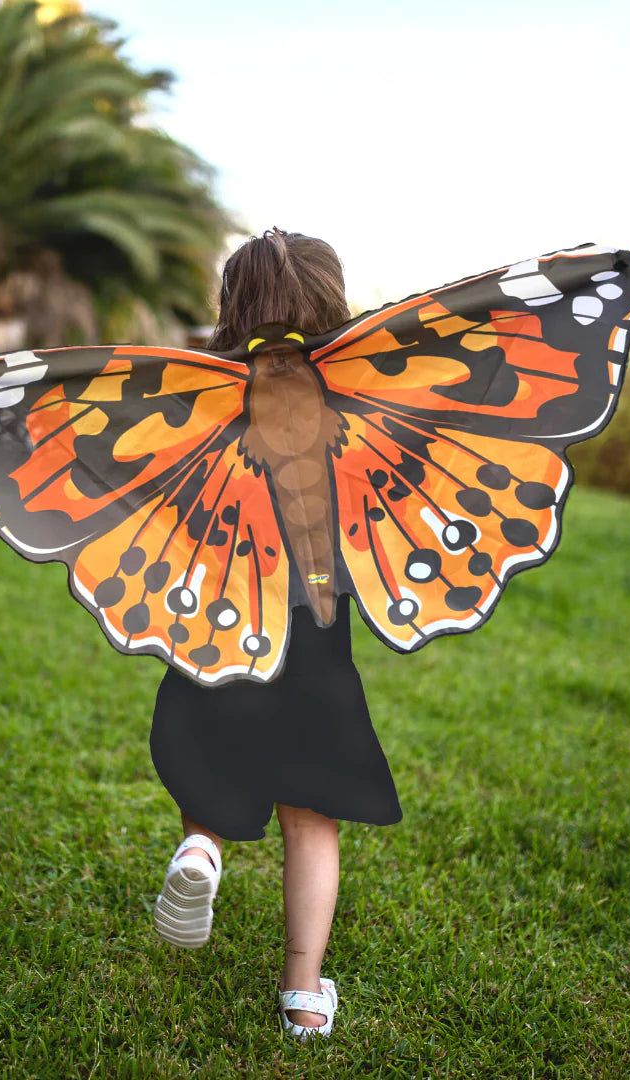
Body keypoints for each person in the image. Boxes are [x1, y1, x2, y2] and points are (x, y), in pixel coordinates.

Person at [149, 228, 403, 1040]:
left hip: (223, 625)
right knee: (312, 814)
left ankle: (201, 853)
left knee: (209, 766)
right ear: (334, 306)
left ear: (231, 309)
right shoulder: (358, 408)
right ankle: (302, 991)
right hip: (319, 637)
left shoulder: (206, 404)